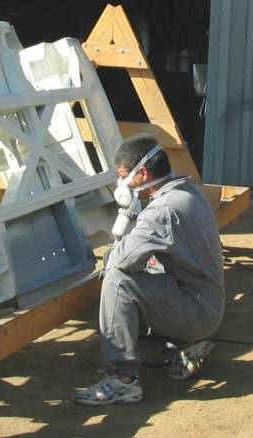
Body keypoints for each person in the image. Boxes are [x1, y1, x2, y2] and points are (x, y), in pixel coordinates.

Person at [74, 133, 224, 406]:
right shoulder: (189, 193)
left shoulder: (162, 211)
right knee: (137, 325)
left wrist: (117, 243)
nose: (122, 184)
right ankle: (180, 349)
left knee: (118, 281)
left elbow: (120, 261)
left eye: (124, 176)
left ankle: (122, 381)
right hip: (205, 302)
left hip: (197, 311)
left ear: (143, 173)